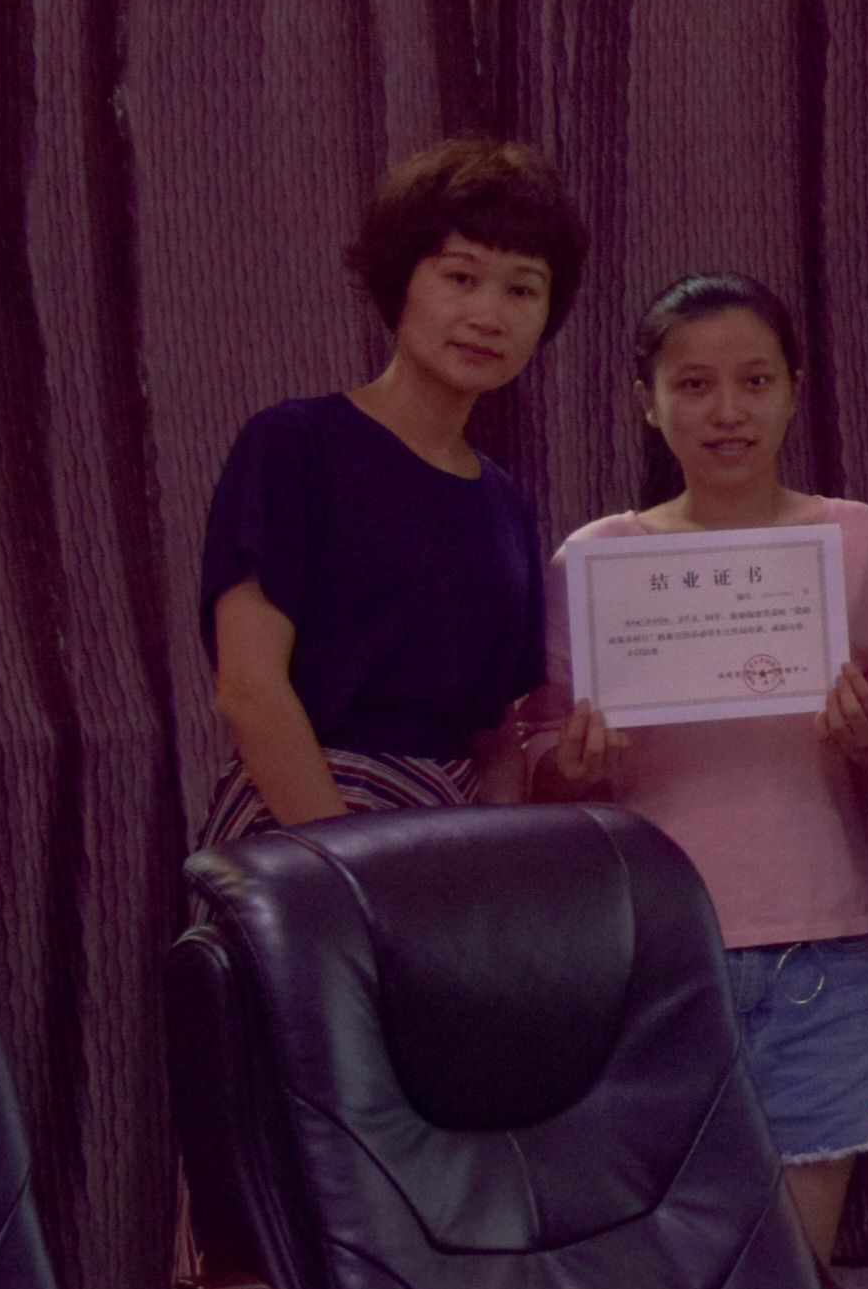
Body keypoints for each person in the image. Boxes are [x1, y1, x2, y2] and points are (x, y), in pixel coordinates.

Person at [534, 274, 868, 1272]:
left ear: (794, 390)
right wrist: (574, 767)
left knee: (796, 1273)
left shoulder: (862, 542)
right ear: (647, 401)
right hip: (651, 948)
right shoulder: (597, 562)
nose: (727, 410)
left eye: (754, 380)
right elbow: (543, 786)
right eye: (694, 384)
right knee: (663, 1260)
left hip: (821, 945)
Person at [200, 137, 593, 838]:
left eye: (522, 290)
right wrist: (354, 863)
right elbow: (250, 691)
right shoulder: (295, 444)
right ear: (401, 280)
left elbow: (494, 734)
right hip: (306, 826)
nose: (489, 315)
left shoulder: (505, 502)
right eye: (461, 278)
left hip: (448, 840)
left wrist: (496, 860)